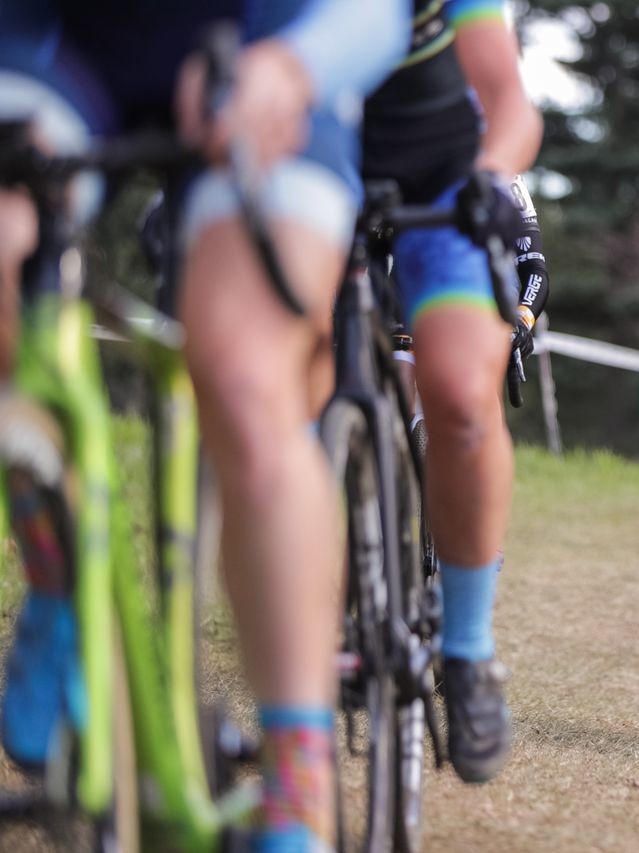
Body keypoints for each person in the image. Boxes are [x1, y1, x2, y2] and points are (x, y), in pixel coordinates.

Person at [0, 2, 409, 849]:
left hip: (266, 29)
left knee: (243, 370)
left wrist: (293, 70)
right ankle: (58, 579)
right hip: (55, 37)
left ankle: (298, 783)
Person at [360, 0, 543, 783]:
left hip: (441, 176)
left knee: (462, 400)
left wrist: (492, 175)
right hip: (313, 168)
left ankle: (466, 650)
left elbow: (507, 99)